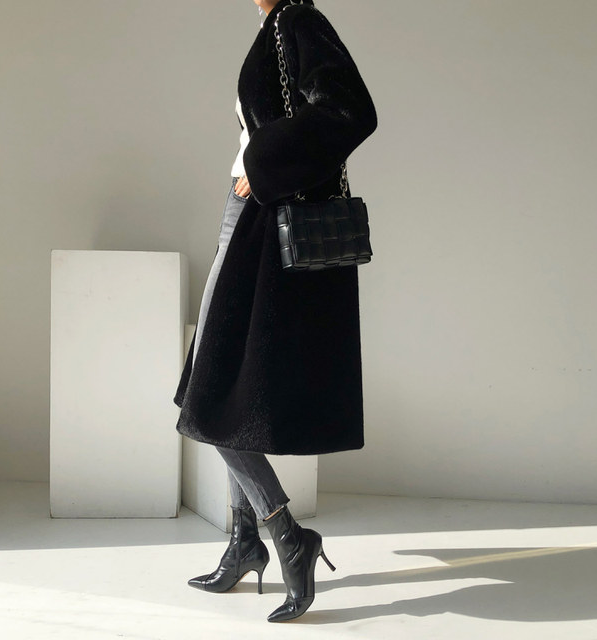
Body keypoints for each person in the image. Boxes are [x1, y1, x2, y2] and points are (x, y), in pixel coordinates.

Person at [174, 0, 378, 623]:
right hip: (249, 210)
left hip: (264, 209)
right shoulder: (275, 27)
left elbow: (350, 110)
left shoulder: (296, 21)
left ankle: (286, 534)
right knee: (224, 387)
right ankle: (244, 542)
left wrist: (260, 167)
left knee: (210, 391)